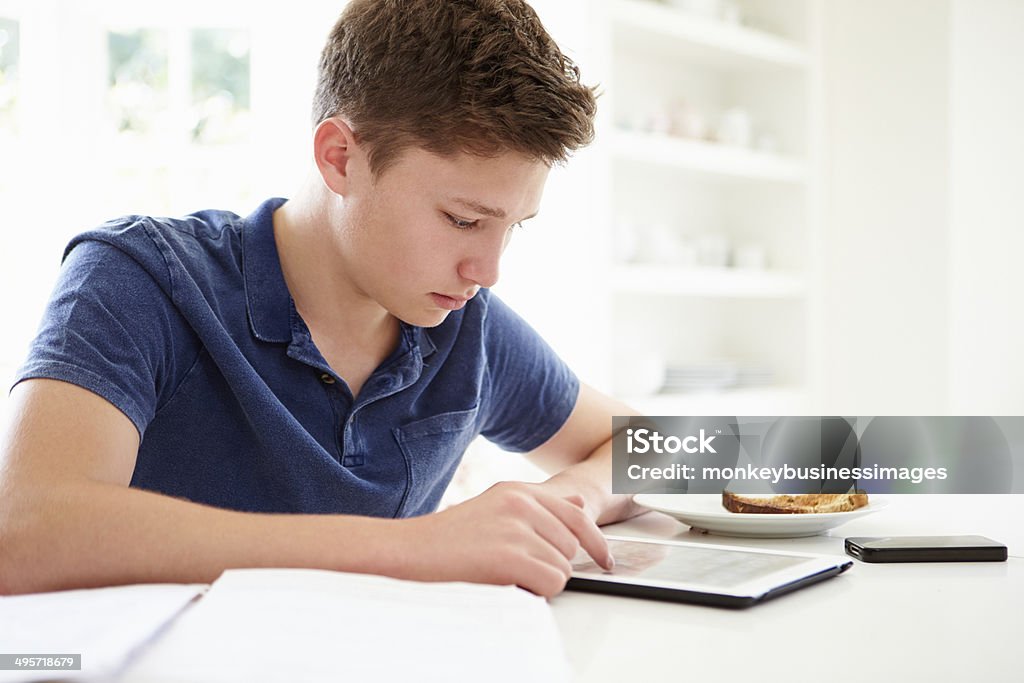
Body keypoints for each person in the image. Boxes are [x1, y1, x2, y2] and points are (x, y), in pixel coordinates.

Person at [0, 0, 643, 598]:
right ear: (340, 158)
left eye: (514, 226)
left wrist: (570, 502)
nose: (490, 270)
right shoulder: (139, 278)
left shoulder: (461, 323)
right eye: (463, 220)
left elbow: (693, 450)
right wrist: (412, 549)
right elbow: (23, 531)